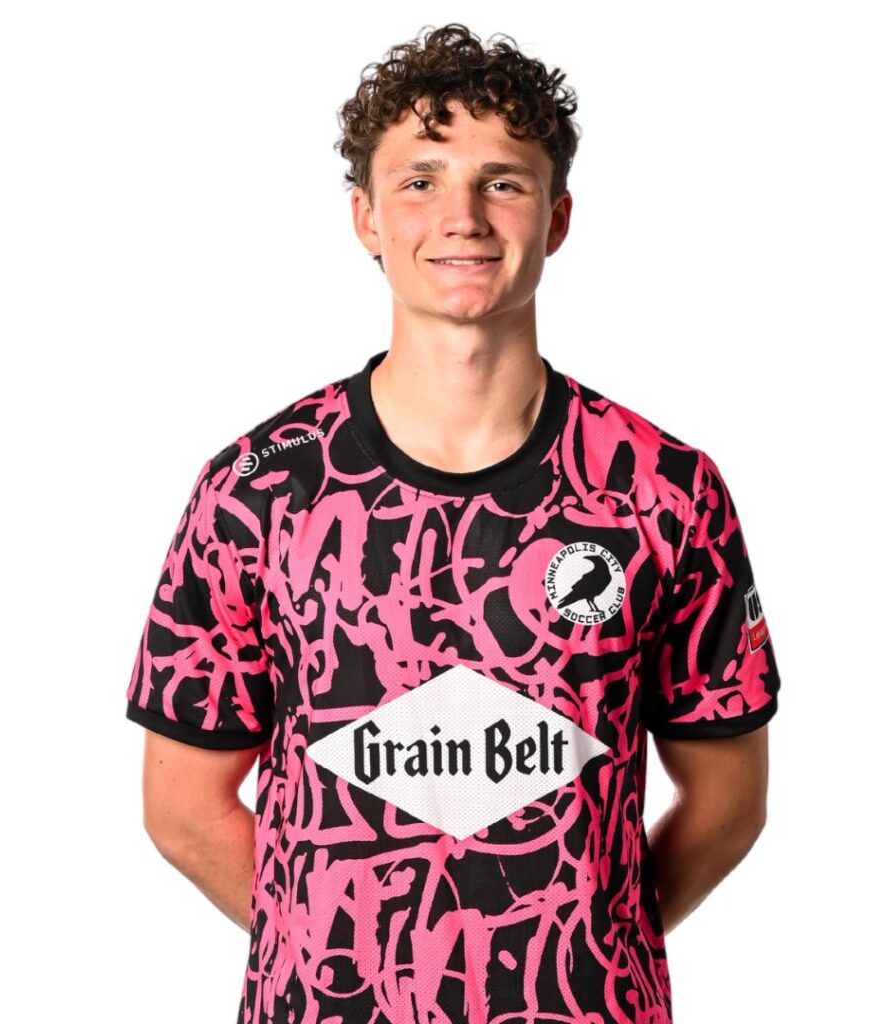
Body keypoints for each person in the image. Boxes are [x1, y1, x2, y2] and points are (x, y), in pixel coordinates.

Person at [125, 23, 781, 1024]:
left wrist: (595, 942)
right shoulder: (257, 489)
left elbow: (729, 802)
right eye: (420, 181)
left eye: (501, 182)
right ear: (366, 217)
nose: (461, 217)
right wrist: (339, 947)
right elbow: (181, 808)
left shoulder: (662, 489)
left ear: (557, 217)